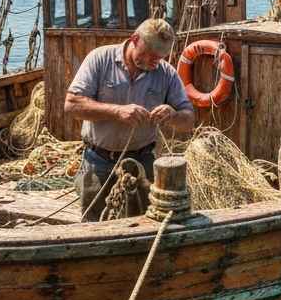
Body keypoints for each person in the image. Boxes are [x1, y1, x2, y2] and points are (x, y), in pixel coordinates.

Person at [65, 18, 195, 220]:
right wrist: (117, 111)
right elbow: (72, 105)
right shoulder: (99, 59)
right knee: (93, 227)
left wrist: (174, 115)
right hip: (97, 162)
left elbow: (189, 120)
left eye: (158, 59)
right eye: (147, 55)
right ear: (134, 39)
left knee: (144, 224)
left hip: (142, 162)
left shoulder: (166, 73)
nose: (152, 64)